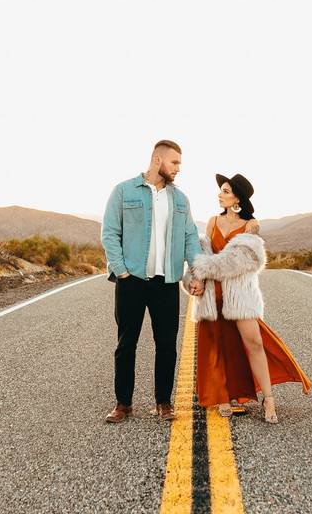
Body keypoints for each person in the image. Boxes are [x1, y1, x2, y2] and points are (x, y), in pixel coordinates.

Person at [185, 173, 311, 424]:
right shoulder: (212, 222)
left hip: (240, 294)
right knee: (217, 345)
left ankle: (269, 397)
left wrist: (205, 267)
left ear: (237, 199)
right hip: (213, 293)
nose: (220, 194)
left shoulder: (251, 225)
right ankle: (223, 397)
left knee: (253, 342)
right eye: (221, 190)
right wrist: (193, 279)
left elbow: (239, 263)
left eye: (225, 191)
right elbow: (203, 253)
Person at [101, 140, 205, 423]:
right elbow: (110, 232)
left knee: (167, 344)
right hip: (131, 280)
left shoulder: (180, 199)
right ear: (157, 160)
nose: (178, 169)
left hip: (166, 282)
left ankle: (164, 402)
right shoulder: (123, 191)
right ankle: (123, 404)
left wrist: (197, 273)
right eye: (175, 163)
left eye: (180, 164)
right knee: (126, 343)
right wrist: (121, 270)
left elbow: (190, 238)